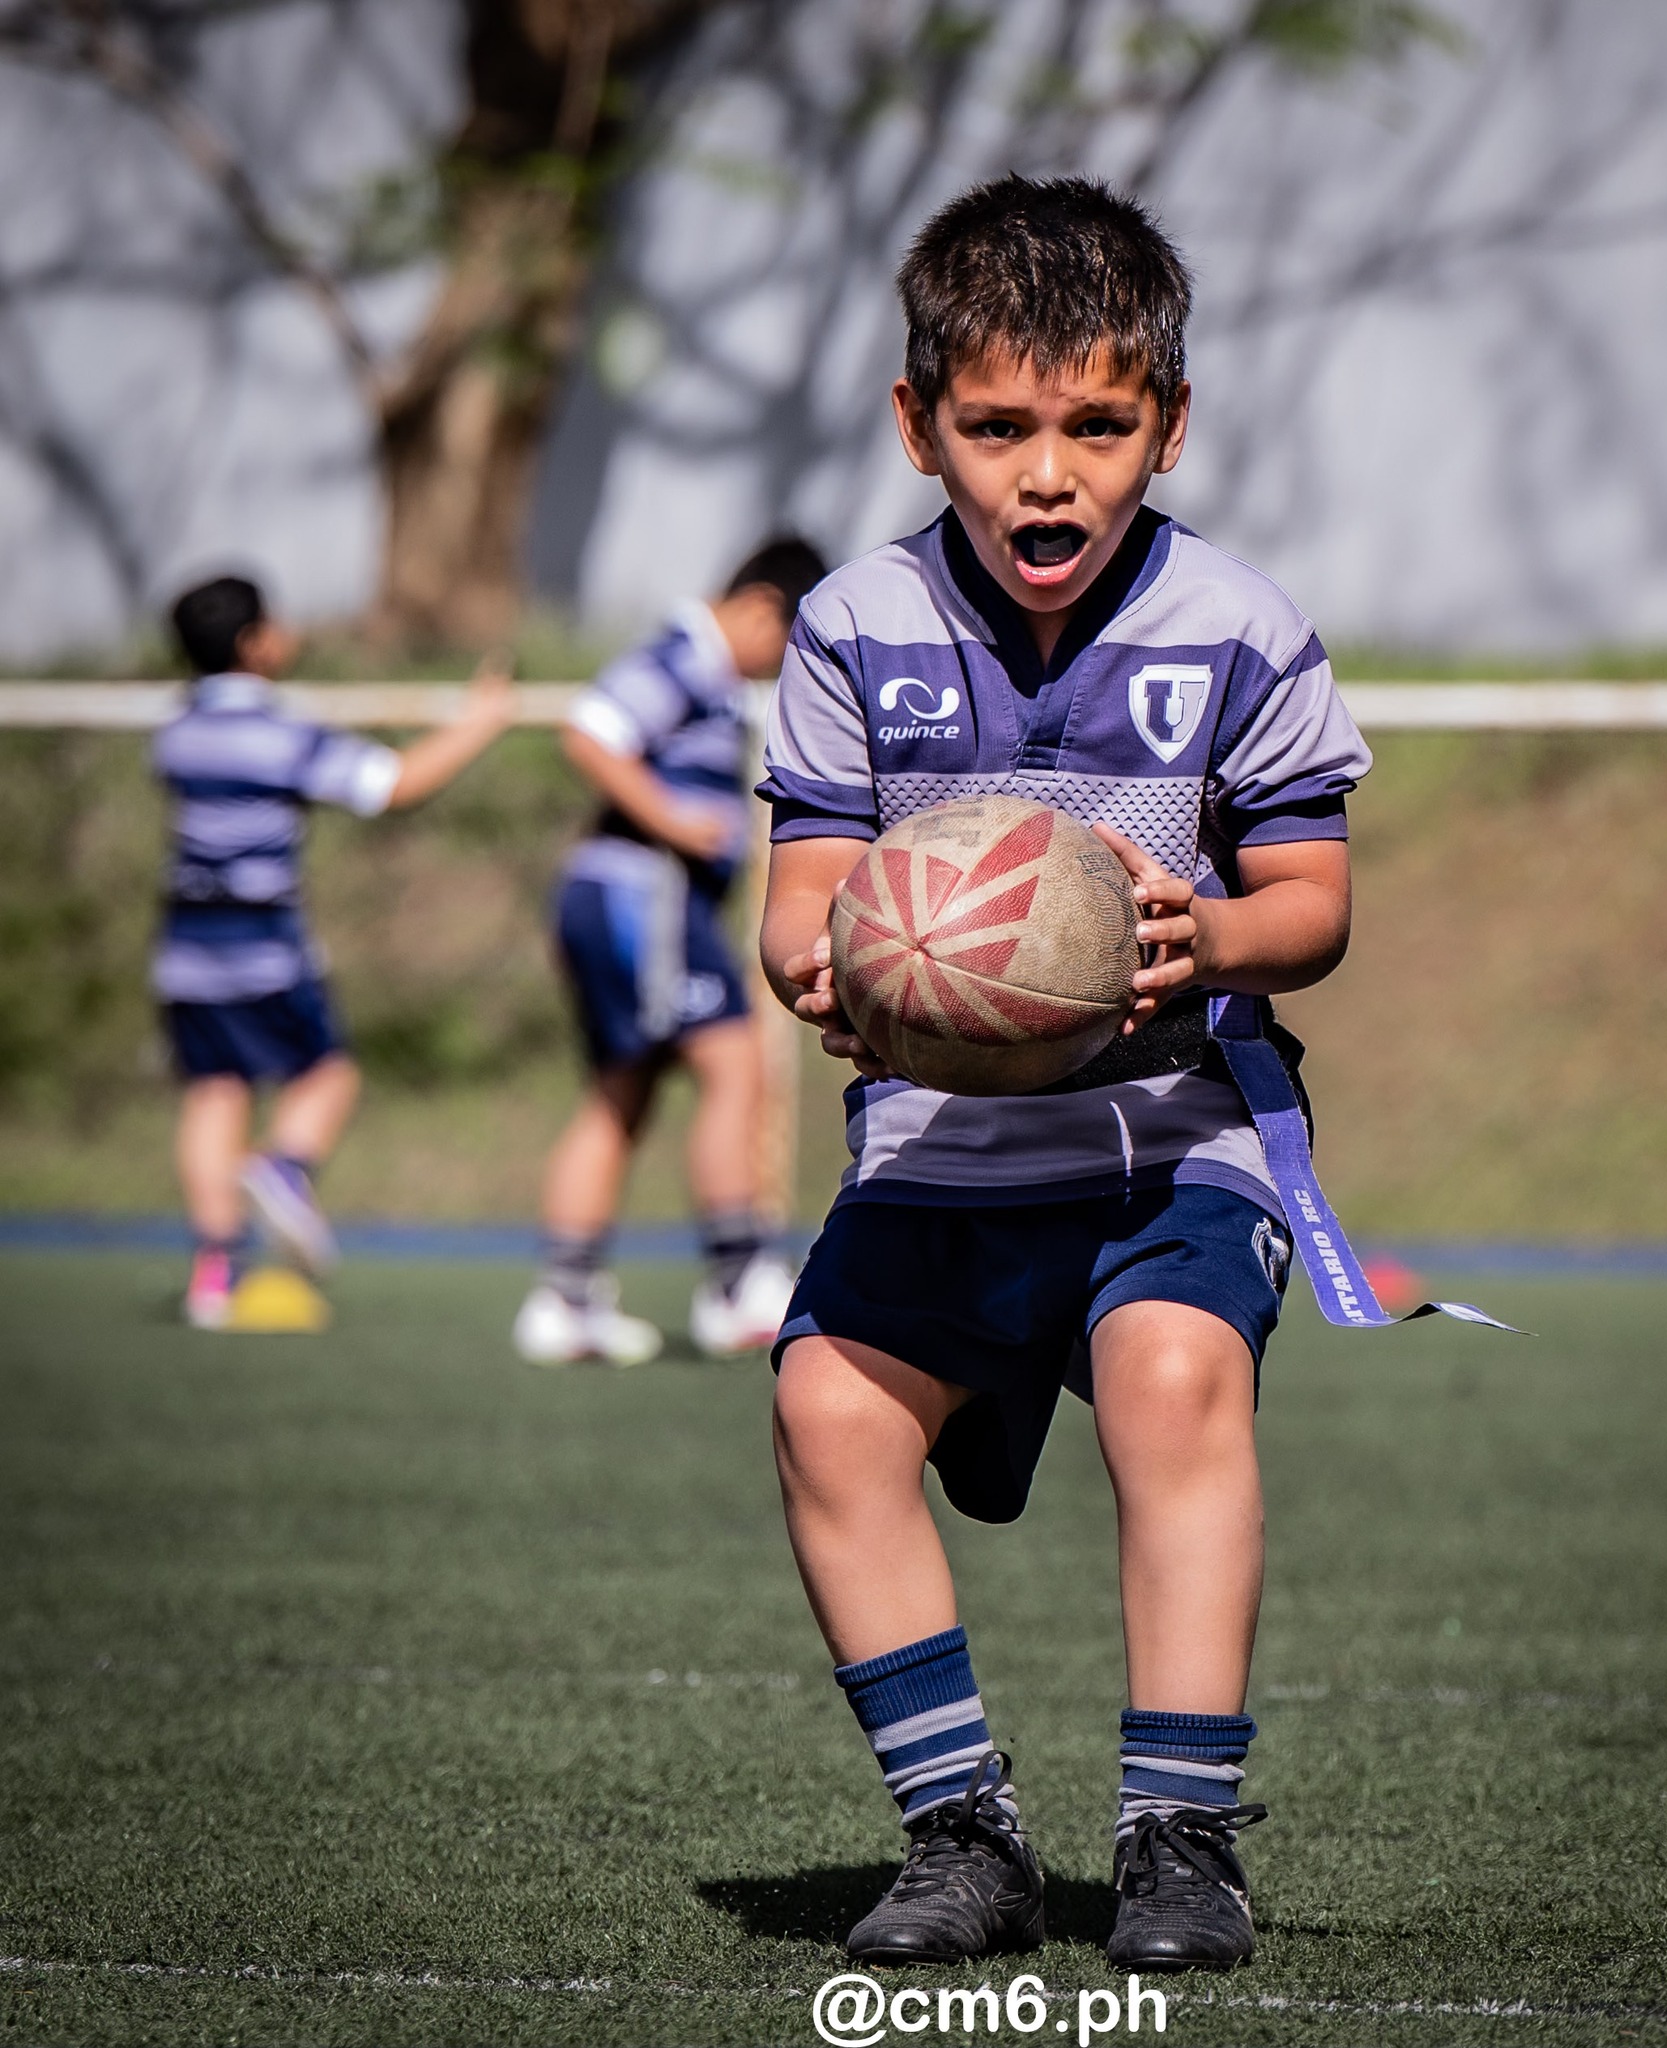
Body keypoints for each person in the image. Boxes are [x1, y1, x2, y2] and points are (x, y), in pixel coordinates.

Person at [757, 176, 1371, 1971]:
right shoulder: (849, 630)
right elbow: (800, 896)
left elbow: (1314, 898)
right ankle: (963, 1835)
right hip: (939, 1140)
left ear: (1165, 424)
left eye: (1098, 426)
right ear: (914, 425)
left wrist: (1214, 938)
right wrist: (836, 969)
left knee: (1174, 1376)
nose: (1048, 473)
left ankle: (1177, 1835)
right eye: (996, 426)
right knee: (823, 1408)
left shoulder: (1238, 629)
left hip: (1171, 1134)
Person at [155, 574, 512, 1330]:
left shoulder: (178, 734)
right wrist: (479, 722)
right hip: (262, 951)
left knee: (214, 1092)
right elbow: (391, 783)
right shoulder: (280, 737)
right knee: (327, 1073)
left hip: (186, 953)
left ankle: (214, 1276)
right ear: (255, 644)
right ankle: (284, 1167)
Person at [512, 538, 828, 1368]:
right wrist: (675, 819)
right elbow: (591, 731)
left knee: (624, 1091)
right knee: (734, 1065)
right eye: (785, 644)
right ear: (762, 607)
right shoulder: (684, 656)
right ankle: (737, 1283)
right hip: (640, 893)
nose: (776, 667)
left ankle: (565, 1297)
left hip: (636, 898)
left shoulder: (711, 676)